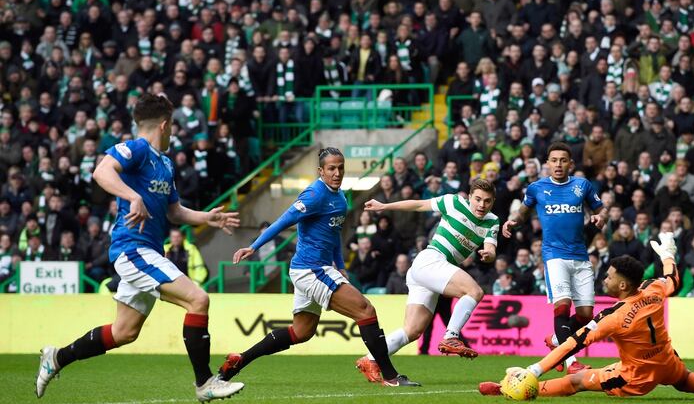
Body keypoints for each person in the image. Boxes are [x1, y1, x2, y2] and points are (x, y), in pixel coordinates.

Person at [36, 94, 244, 403]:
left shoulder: (165, 164)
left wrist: (207, 218)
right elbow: (101, 171)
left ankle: (56, 357)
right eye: (172, 127)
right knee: (198, 299)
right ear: (164, 125)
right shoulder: (137, 149)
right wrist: (132, 196)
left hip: (149, 252)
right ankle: (205, 382)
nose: (173, 132)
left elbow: (174, 212)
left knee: (124, 332)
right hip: (132, 249)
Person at [219, 148, 419, 387]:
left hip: (315, 269)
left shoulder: (340, 197)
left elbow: (334, 234)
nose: (337, 173)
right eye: (331, 168)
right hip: (311, 270)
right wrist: (254, 247)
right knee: (365, 310)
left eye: (340, 168)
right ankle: (390, 376)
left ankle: (240, 360)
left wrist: (341, 265)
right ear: (320, 171)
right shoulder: (314, 194)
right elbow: (284, 220)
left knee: (301, 332)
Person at [479, 233, 694, 402]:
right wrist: (668, 254)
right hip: (667, 361)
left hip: (635, 376)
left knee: (576, 381)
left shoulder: (613, 316)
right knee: (683, 378)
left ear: (622, 285)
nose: (604, 279)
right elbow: (673, 279)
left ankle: (508, 389)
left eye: (609, 276)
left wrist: (534, 370)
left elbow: (571, 344)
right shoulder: (653, 288)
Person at [355, 179, 499, 383]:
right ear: (469, 197)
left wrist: (489, 255)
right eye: (478, 199)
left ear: (493, 202)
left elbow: (491, 248)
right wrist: (384, 206)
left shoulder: (493, 221)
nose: (482, 205)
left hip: (431, 273)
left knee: (412, 331)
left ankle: (370, 359)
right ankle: (451, 336)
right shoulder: (453, 202)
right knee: (474, 292)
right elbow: (418, 204)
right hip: (431, 260)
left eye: (487, 201)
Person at [502, 142, 608, 374]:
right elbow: (523, 212)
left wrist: (602, 218)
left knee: (586, 315)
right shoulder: (536, 188)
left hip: (581, 256)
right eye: (554, 160)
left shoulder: (582, 185)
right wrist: (512, 221)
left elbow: (601, 210)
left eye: (563, 160)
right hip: (554, 255)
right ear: (547, 164)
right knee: (562, 305)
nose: (558, 164)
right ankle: (571, 362)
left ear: (571, 164)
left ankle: (555, 340)